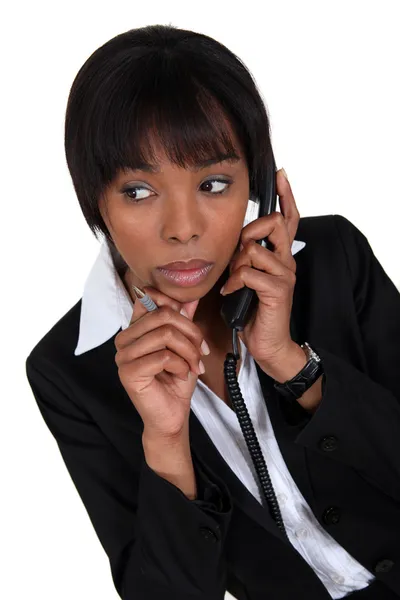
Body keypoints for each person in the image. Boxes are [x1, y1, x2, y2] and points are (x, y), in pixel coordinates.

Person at [25, 24, 400, 600]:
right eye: (139, 192)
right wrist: (166, 441)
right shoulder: (68, 369)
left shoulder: (332, 262)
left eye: (216, 182)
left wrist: (291, 363)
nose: (183, 230)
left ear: (259, 184)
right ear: (92, 196)